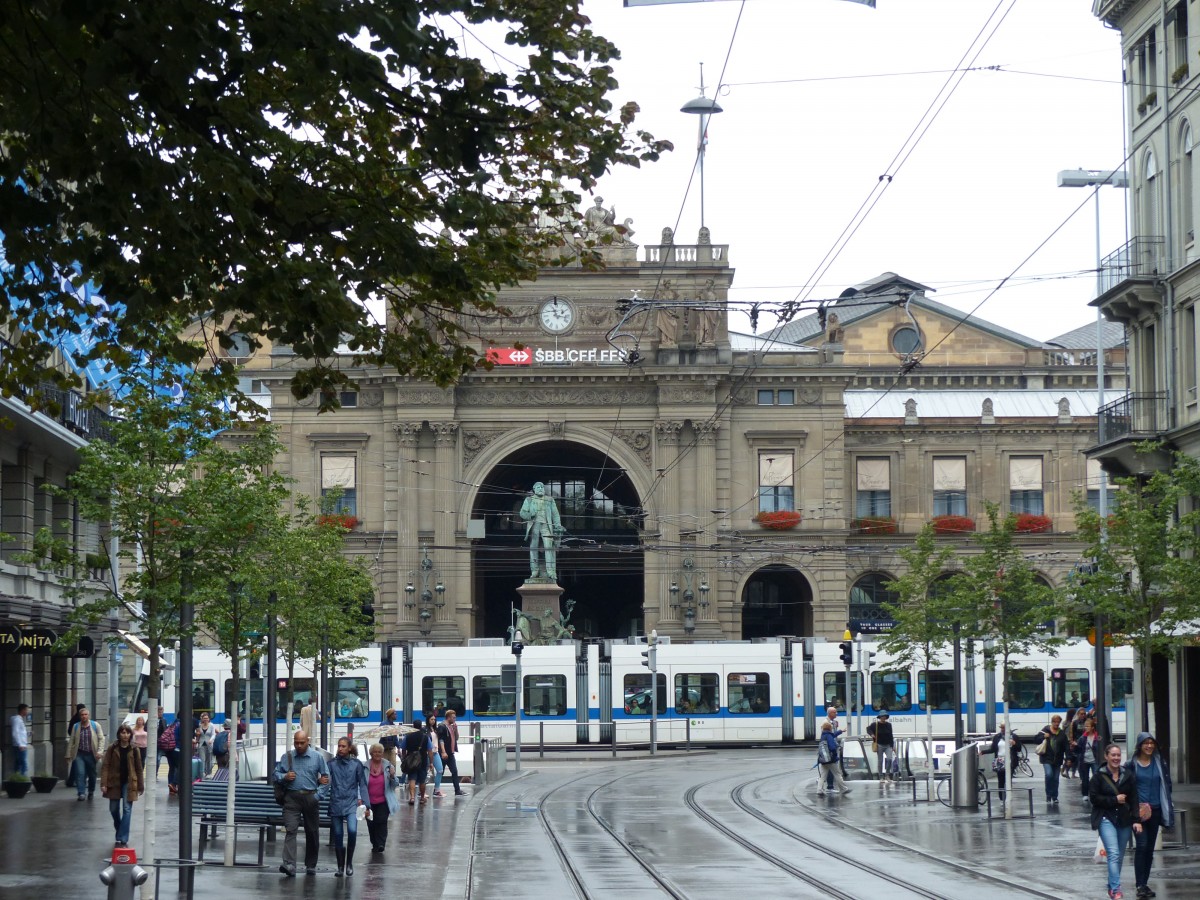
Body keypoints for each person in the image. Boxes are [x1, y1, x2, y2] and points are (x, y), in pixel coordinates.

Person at [273, 729, 330, 877]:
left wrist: (318, 796)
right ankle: (289, 864)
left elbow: (326, 778)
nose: (298, 746)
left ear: (308, 742)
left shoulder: (317, 757)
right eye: (296, 742)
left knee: (312, 831)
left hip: (311, 797)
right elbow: (275, 774)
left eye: (302, 743)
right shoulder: (288, 757)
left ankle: (311, 864)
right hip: (292, 798)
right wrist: (284, 776)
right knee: (290, 829)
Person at [1091, 742, 1142, 900]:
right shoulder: (1098, 775)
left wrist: (1136, 820)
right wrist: (1114, 799)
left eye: (1118, 755)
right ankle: (1115, 889)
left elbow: (1134, 798)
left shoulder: (1128, 775)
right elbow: (1094, 798)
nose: (1116, 758)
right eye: (1113, 755)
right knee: (1113, 854)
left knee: (1119, 855)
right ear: (1106, 757)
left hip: (1124, 820)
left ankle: (1111, 885)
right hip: (1106, 818)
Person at [1128, 732, 1174, 899]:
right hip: (1138, 814)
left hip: (1155, 811)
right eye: (1146, 743)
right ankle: (1139, 885)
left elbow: (1167, 784)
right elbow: (1126, 787)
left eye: (1151, 743)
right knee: (1141, 846)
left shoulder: (1159, 762)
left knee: (1149, 849)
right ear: (1140, 745)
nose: (1149, 746)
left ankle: (1144, 883)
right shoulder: (1131, 764)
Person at [327, 736, 370, 877]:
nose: (340, 748)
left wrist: (366, 803)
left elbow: (362, 784)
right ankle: (340, 866)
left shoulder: (356, 764)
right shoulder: (332, 764)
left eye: (343, 746)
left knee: (352, 831)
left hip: (351, 802)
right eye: (339, 746)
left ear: (349, 748)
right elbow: (325, 780)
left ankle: (349, 862)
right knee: (338, 835)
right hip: (336, 802)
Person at [100, 723, 145, 848]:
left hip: (129, 782)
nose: (125, 735)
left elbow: (139, 768)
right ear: (119, 734)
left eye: (127, 732)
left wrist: (141, 785)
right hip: (114, 782)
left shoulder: (134, 749)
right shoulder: (112, 748)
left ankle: (123, 837)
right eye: (122, 732)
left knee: (127, 809)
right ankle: (120, 829)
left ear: (130, 734)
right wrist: (103, 783)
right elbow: (105, 766)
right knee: (113, 809)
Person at [520, 481, 564, 580]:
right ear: (534, 490)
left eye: (542, 487)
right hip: (534, 526)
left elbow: (555, 514)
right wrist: (530, 514)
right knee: (533, 548)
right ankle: (535, 570)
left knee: (549, 547)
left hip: (546, 526)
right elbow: (522, 513)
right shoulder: (529, 500)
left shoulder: (550, 500)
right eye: (538, 487)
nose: (541, 489)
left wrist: (557, 525)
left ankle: (550, 571)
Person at [66, 707, 105, 801]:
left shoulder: (95, 725)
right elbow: (72, 741)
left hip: (91, 754)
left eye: (85, 714)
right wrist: (68, 754)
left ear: (88, 715)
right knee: (80, 773)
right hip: (79, 754)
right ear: (80, 716)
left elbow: (101, 739)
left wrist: (100, 752)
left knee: (92, 775)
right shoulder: (76, 726)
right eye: (82, 715)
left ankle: (91, 791)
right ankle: (81, 793)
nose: (84, 716)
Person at [365, 743, 398, 853]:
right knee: (371, 823)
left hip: (383, 801)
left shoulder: (388, 766)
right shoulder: (365, 766)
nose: (378, 754)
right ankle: (374, 843)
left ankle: (380, 844)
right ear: (371, 753)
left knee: (381, 821)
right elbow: (361, 783)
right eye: (375, 752)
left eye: (380, 752)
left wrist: (393, 776)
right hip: (369, 801)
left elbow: (395, 785)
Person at [1037, 714, 1070, 804]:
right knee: (1049, 774)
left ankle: (1054, 796)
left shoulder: (1062, 734)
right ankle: (1048, 795)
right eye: (1054, 722)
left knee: (1055, 778)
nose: (1056, 724)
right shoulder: (1045, 730)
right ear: (1051, 722)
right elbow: (1036, 739)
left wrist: (1068, 758)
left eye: (1058, 722)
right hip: (1047, 758)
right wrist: (1043, 736)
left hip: (1057, 759)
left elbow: (1066, 746)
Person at [983, 723, 1018, 801]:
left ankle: (1008, 797)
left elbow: (1019, 748)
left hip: (1010, 761)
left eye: (1004, 728)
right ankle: (1002, 799)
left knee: (1008, 780)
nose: (1002, 729)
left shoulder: (1013, 737)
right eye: (1001, 728)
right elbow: (993, 749)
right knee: (1001, 781)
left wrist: (1014, 744)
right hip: (1000, 761)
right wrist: (983, 752)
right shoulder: (997, 737)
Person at [437, 709, 468, 797]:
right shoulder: (442, 726)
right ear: (448, 717)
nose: (455, 719)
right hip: (444, 753)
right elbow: (441, 739)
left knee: (454, 771)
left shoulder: (451, 726)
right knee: (440, 772)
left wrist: (456, 729)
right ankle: (436, 790)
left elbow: (457, 738)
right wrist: (443, 752)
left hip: (450, 753)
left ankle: (457, 790)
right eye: (453, 718)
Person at [401, 719, 432, 805]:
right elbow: (430, 751)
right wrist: (431, 763)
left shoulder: (408, 736)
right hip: (423, 760)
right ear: (421, 726)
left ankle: (412, 798)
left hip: (411, 761)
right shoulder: (425, 737)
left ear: (413, 726)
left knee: (412, 779)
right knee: (422, 780)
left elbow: (403, 749)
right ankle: (422, 798)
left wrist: (404, 758)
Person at [817, 721, 849, 795]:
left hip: (823, 760)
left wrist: (841, 731)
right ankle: (843, 789)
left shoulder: (823, 735)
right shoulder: (829, 736)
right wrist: (835, 755)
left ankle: (819, 790)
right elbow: (832, 747)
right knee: (837, 774)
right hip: (831, 760)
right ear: (830, 728)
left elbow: (833, 735)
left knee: (822, 776)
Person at [865, 710, 895, 784]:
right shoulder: (875, 724)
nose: (883, 717)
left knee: (889, 759)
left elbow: (891, 735)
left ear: (886, 717)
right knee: (880, 761)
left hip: (888, 744)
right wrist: (872, 734)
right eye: (882, 716)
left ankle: (887, 775)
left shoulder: (889, 725)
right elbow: (868, 729)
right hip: (879, 744)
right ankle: (881, 776)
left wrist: (893, 745)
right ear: (879, 717)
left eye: (884, 716)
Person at [1077, 716, 1103, 799]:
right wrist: (1075, 746)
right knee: (1085, 778)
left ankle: (1095, 792)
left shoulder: (1097, 737)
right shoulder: (1082, 738)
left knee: (1096, 776)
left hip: (1094, 760)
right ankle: (1085, 794)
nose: (1086, 728)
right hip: (1084, 760)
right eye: (1085, 726)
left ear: (1092, 727)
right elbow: (1079, 749)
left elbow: (1101, 748)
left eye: (1088, 726)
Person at [426, 714, 444, 798]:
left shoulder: (436, 729)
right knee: (424, 772)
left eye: (434, 719)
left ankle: (437, 790)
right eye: (431, 719)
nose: (433, 721)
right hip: (427, 753)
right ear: (428, 720)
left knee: (440, 770)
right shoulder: (425, 730)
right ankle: (421, 791)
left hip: (435, 752)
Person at [9, 703, 29, 777]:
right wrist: (20, 744)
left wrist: (29, 733)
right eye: (26, 710)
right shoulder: (17, 720)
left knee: (18, 763)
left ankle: (18, 778)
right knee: (23, 764)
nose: (27, 712)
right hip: (20, 746)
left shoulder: (19, 720)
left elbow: (21, 733)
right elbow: (15, 732)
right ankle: (22, 780)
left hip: (20, 745)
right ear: (22, 710)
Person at [195, 712, 217, 776]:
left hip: (209, 744)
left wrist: (211, 740)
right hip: (201, 745)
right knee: (202, 760)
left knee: (209, 760)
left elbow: (213, 734)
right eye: (204, 718)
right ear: (202, 719)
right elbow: (198, 734)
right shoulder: (199, 725)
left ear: (209, 719)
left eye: (207, 718)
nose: (205, 719)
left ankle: (209, 772)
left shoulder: (212, 725)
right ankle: (202, 773)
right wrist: (197, 737)